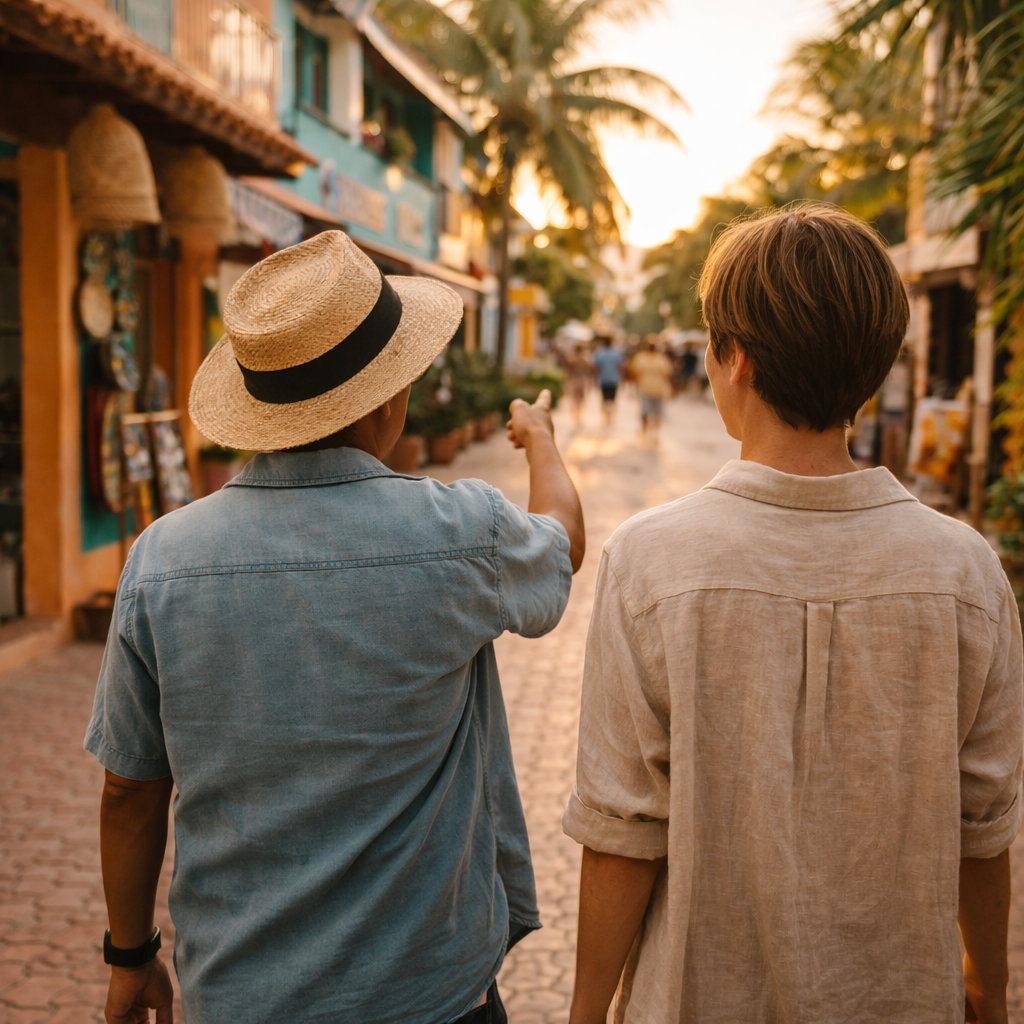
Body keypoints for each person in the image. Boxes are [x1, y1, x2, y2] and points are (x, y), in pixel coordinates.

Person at [85, 230, 585, 1024]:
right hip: (432, 995)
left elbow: (129, 790)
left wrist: (131, 957)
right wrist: (543, 445)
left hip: (241, 995)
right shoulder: (461, 532)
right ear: (388, 398)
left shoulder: (161, 562)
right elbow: (560, 547)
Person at [563, 204, 1023, 1024]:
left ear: (734, 357)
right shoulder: (966, 573)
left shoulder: (651, 560)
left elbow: (625, 830)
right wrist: (989, 994)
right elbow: (983, 833)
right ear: (876, 368)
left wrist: (587, 1010)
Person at [630, 335, 674, 441]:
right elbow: (668, 375)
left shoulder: (641, 358)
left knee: (645, 412)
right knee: (657, 413)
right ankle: (654, 434)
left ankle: (644, 432)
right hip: (658, 390)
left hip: (645, 389)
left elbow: (635, 374)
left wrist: (635, 387)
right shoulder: (662, 360)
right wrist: (672, 389)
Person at [592, 335, 624, 426]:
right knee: (612, 400)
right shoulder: (617, 352)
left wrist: (595, 378)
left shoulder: (599, 352)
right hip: (614, 379)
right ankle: (610, 418)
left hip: (603, 379)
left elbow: (595, 367)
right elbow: (621, 366)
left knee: (604, 399)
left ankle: (606, 417)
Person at [563, 341, 593, 427]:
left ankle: (575, 417)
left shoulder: (571, 359)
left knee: (574, 399)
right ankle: (579, 417)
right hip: (582, 381)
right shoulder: (584, 360)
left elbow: (567, 372)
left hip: (573, 380)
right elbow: (589, 371)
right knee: (581, 400)